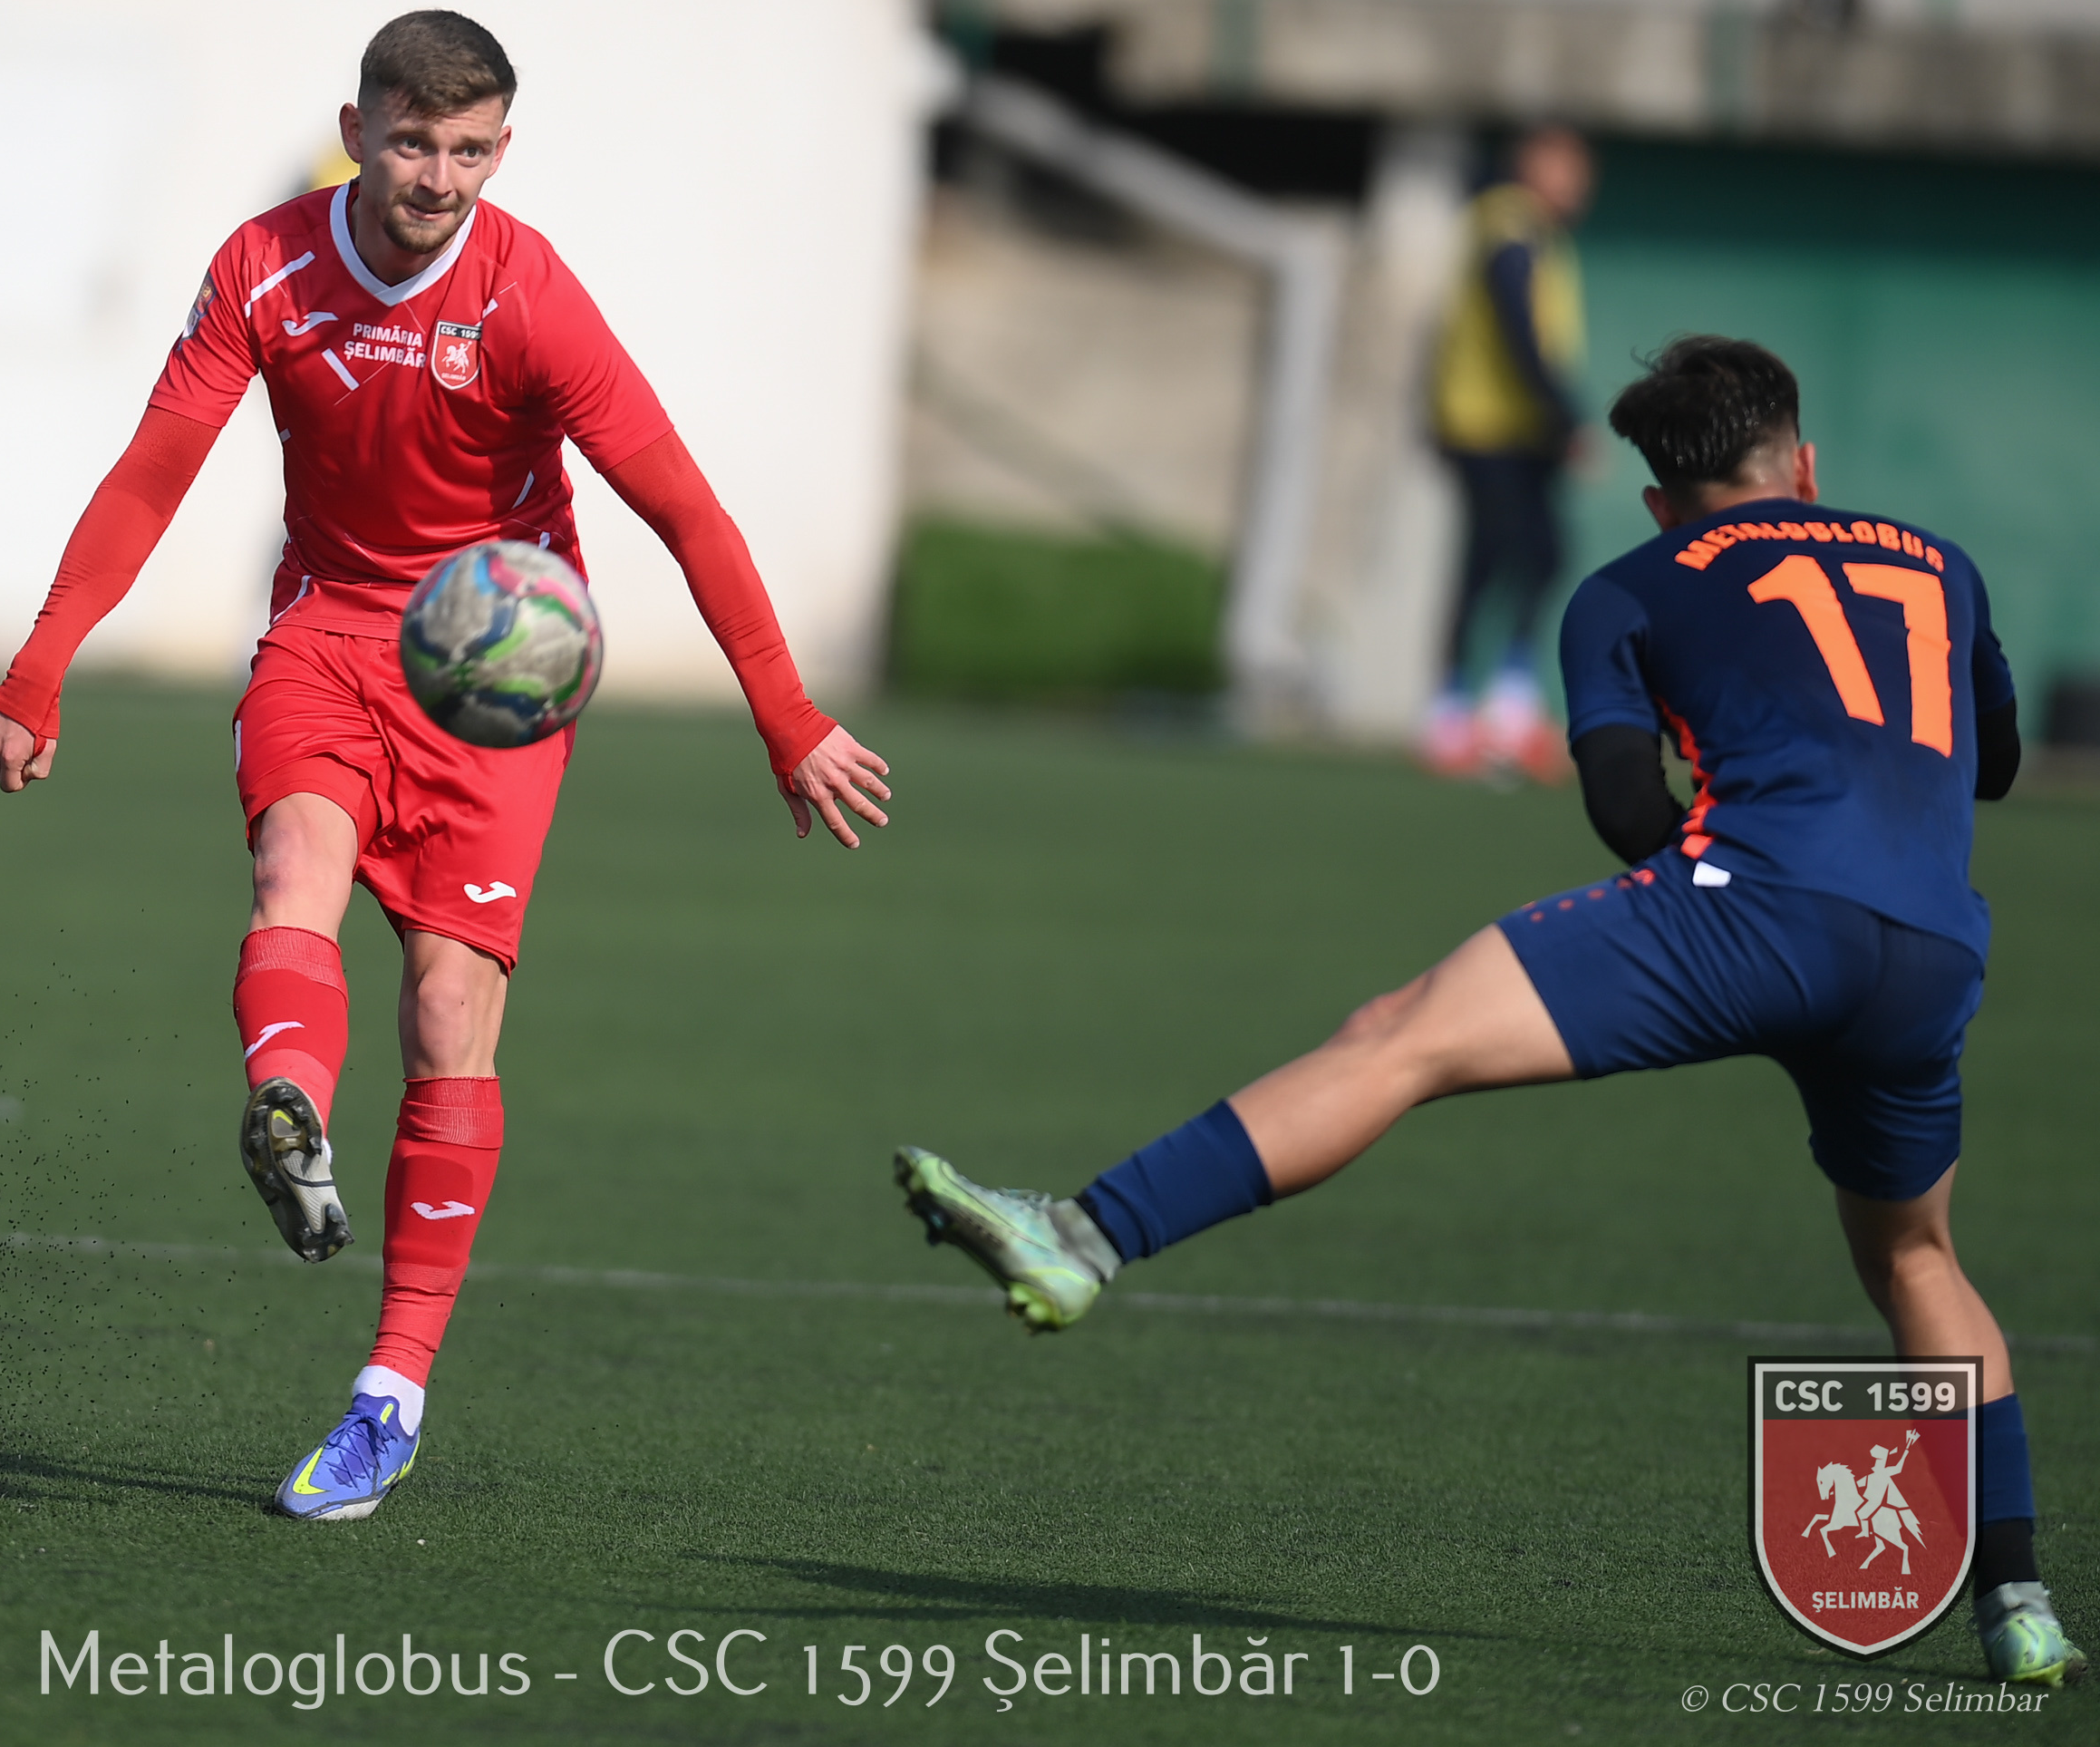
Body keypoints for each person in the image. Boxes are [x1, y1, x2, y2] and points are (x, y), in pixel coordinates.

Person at [893, 337, 2083, 1688]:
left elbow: (1624, 809)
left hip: (1750, 909)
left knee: (1398, 1037)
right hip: (1931, 955)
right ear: (1804, 467)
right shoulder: (1942, 564)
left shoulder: (1629, 586)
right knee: (1918, 1259)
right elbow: (1992, 763)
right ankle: (2020, 1605)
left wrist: (1731, 880)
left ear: (1659, 500)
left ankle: (1086, 1237)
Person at [0, 10, 890, 1522]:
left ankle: (388, 1396)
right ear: (358, 131)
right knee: (296, 866)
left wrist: (787, 717)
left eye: (469, 151)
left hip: (495, 666)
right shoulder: (265, 268)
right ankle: (289, 1111)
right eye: (412, 143)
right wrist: (41, 662)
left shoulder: (531, 296)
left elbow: (683, 505)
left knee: (450, 1010)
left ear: (502, 151)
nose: (439, 178)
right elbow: (153, 473)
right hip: (331, 630)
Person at [1421, 125, 1593, 783]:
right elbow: (1515, 321)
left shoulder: (1537, 232)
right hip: (1488, 425)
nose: (1579, 182)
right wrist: (1563, 414)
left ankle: (1502, 703)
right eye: (1566, 166)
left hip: (1514, 428)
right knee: (1500, 556)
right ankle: (1455, 711)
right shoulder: (1509, 224)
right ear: (1532, 165)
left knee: (1530, 556)